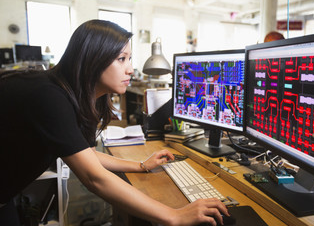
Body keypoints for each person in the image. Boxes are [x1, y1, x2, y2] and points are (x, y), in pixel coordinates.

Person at [0, 19, 228, 226]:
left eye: (129, 59)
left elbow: (88, 155)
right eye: (121, 59)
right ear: (92, 59)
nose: (130, 69)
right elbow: (93, 177)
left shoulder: (82, 97)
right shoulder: (49, 96)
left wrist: (140, 165)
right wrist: (174, 215)